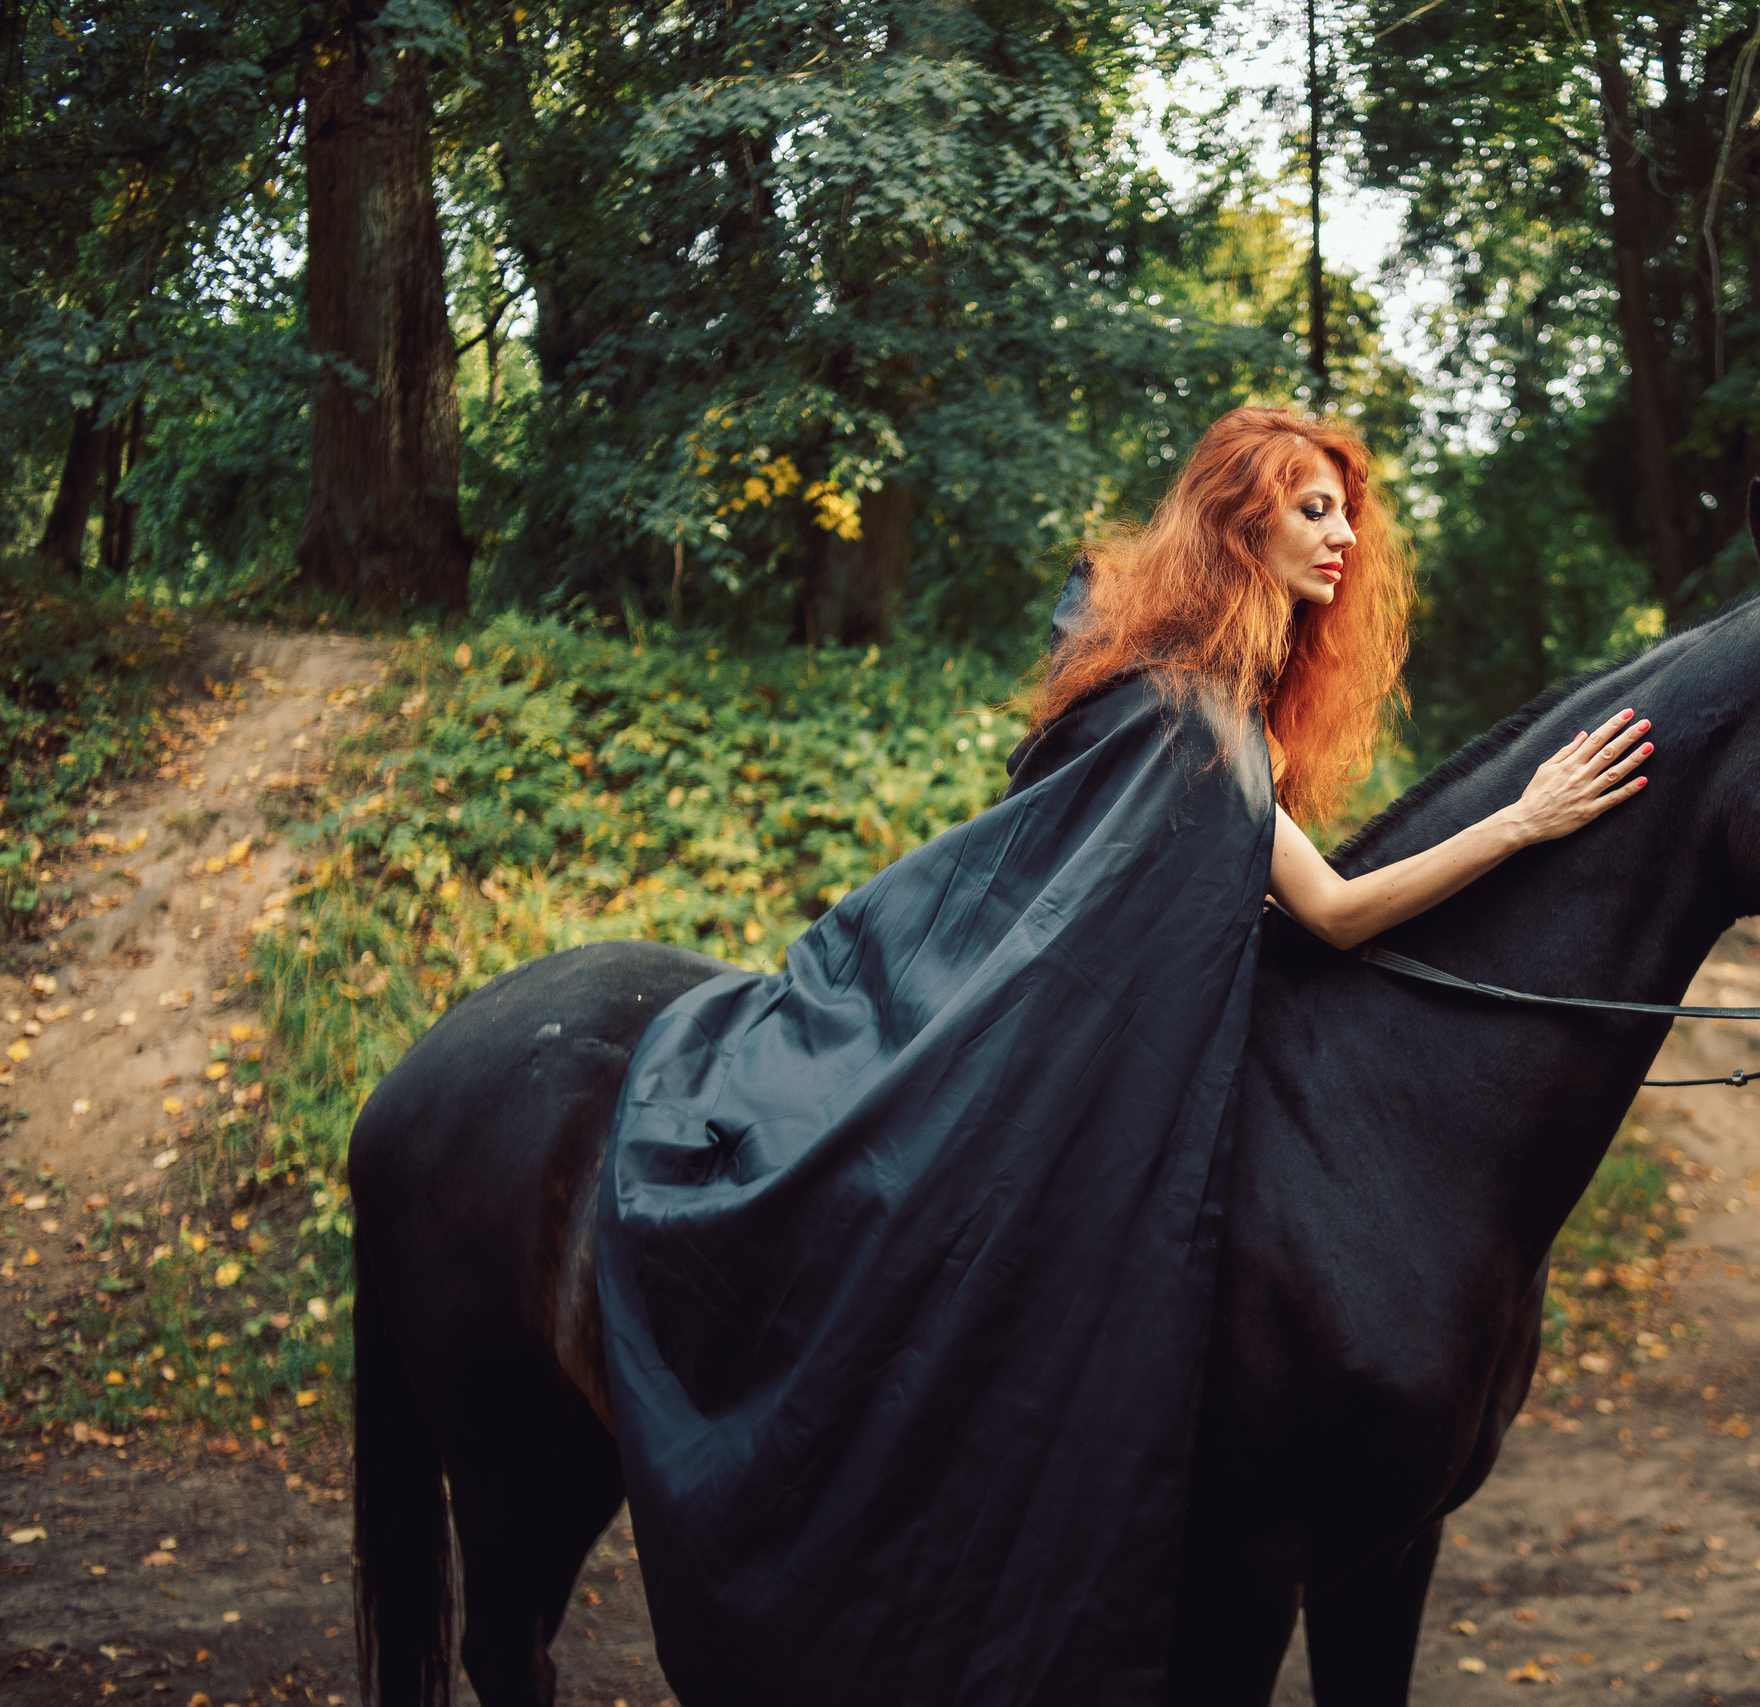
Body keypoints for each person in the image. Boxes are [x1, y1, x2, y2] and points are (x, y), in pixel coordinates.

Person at [596, 406, 1653, 1706]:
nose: (1342, 535)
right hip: (1048, 1046)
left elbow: (1246, 906)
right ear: (1239, 518)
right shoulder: (1193, 722)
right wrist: (1523, 823)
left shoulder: (1212, 713)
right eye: (1312, 507)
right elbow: (1330, 911)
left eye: (1347, 512)